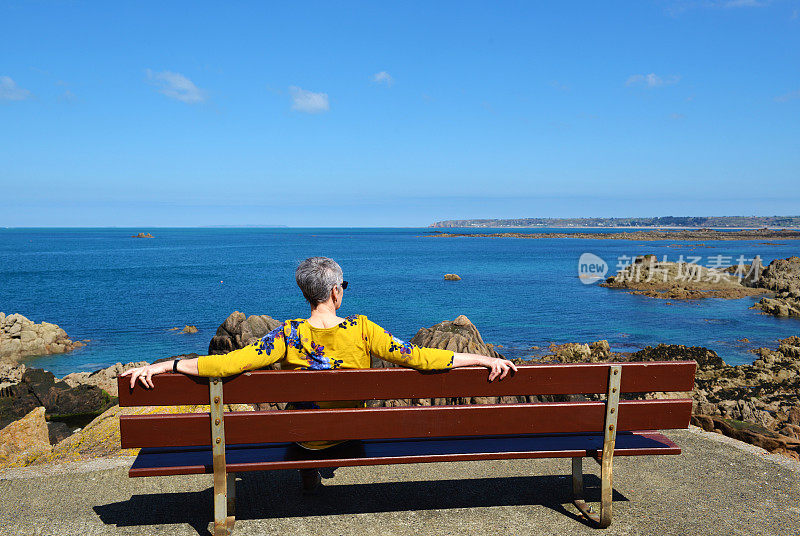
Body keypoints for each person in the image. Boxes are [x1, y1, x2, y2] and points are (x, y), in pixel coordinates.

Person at [121, 256, 517, 492]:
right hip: (351, 431)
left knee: (306, 411)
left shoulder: (288, 333)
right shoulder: (364, 329)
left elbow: (227, 364)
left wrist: (166, 364)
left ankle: (309, 464)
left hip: (306, 439)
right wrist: (484, 360)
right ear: (335, 293)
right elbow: (423, 359)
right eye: (342, 284)